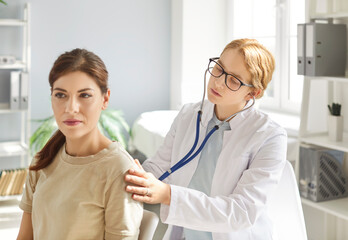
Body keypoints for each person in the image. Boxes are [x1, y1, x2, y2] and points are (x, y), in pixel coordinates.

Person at [125, 38, 287, 239]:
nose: (218, 81)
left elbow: (241, 212)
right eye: (219, 68)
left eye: (234, 80)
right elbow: (159, 167)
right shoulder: (189, 115)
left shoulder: (270, 136)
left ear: (253, 93)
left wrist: (168, 195)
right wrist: (127, 172)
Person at [17, 48, 143, 240]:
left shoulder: (119, 171)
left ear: (105, 99)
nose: (71, 108)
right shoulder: (44, 160)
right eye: (61, 95)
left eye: (84, 95)